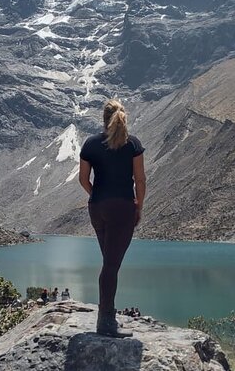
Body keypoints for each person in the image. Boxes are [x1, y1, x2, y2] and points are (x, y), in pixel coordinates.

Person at [79, 99, 146, 338]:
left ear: (103, 118)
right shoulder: (133, 144)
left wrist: (96, 195)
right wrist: (138, 206)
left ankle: (108, 314)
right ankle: (105, 320)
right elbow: (140, 180)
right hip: (123, 209)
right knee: (111, 265)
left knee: (109, 261)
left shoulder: (90, 144)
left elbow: (83, 179)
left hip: (97, 208)